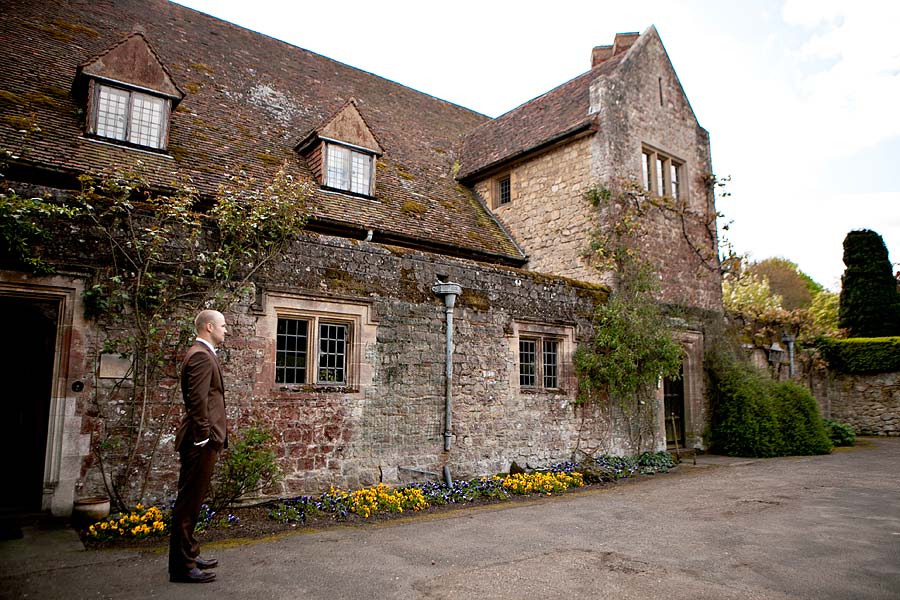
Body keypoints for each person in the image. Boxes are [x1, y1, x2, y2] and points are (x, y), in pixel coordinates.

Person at [168, 309, 229, 583]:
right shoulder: (201, 356)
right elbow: (197, 401)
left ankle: (189, 552)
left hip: (203, 439)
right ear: (208, 327)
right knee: (188, 503)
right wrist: (203, 436)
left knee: (193, 502)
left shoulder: (202, 353)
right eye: (223, 326)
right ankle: (182, 566)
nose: (225, 330)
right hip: (200, 441)